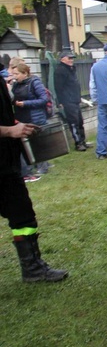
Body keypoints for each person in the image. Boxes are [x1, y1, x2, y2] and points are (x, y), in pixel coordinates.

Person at [1, 74, 68, 283]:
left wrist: (18, 124)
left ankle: (32, 268)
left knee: (23, 216)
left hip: (6, 165)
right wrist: (9, 131)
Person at [10, 62, 50, 180]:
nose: (15, 77)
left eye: (16, 74)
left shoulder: (34, 82)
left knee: (38, 143)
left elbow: (44, 99)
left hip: (35, 117)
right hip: (22, 117)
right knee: (25, 145)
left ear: (25, 73)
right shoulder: (16, 85)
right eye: (13, 74)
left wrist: (25, 104)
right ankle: (30, 168)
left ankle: (43, 167)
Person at [54, 51, 87, 151]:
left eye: (72, 58)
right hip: (68, 100)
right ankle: (78, 143)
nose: (71, 60)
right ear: (62, 59)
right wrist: (60, 102)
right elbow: (58, 87)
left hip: (75, 99)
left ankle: (83, 141)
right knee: (74, 122)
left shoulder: (71, 69)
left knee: (80, 121)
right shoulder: (60, 71)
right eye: (69, 58)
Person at [89, 43, 107, 159]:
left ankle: (101, 152)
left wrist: (95, 98)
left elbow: (92, 85)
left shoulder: (95, 66)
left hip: (102, 100)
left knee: (103, 125)